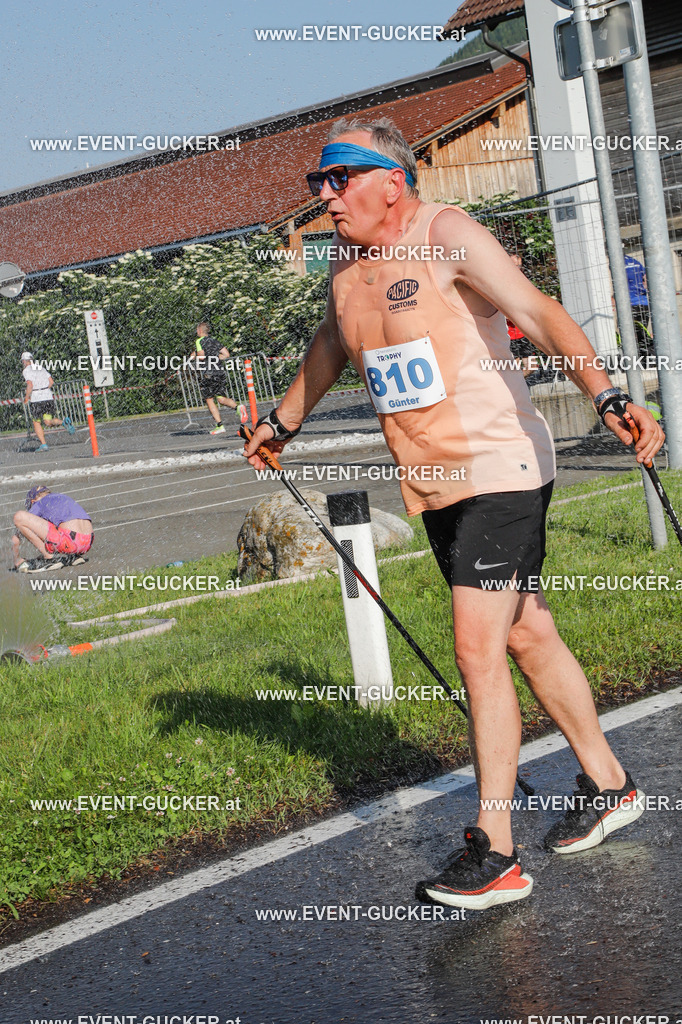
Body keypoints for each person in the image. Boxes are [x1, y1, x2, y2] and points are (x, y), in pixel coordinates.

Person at [244, 117, 665, 910]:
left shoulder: (448, 233)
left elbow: (538, 312)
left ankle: (495, 848)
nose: (325, 198)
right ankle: (609, 783)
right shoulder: (348, 261)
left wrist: (604, 394)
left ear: (390, 182)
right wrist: (283, 422)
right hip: (434, 482)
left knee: (477, 649)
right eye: (318, 185)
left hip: (500, 466)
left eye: (339, 181)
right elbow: (333, 340)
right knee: (524, 632)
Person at [12, 486, 93, 573]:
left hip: (71, 542)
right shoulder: (60, 497)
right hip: (87, 542)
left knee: (19, 517)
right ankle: (73, 556)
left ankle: (50, 559)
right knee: (59, 525)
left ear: (32, 501)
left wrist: (17, 560)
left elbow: (16, 537)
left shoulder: (39, 503)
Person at [187, 322, 247, 434]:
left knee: (209, 399)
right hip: (219, 372)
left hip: (208, 373)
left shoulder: (199, 341)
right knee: (220, 398)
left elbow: (201, 357)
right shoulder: (214, 341)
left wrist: (195, 355)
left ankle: (220, 425)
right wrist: (214, 357)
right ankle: (238, 407)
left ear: (200, 331)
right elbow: (226, 355)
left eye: (197, 330)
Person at [21, 352, 75, 451]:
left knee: (36, 422)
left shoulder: (26, 371)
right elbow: (51, 382)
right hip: (48, 396)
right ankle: (63, 422)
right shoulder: (40, 367)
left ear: (24, 361)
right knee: (48, 422)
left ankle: (44, 444)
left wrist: (27, 397)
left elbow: (30, 385)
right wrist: (44, 389)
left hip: (37, 398)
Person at [624, 254, 651, 356]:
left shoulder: (616, 263)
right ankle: (647, 358)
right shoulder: (635, 262)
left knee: (630, 336)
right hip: (643, 302)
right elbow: (645, 280)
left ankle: (636, 360)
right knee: (642, 334)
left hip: (629, 304)